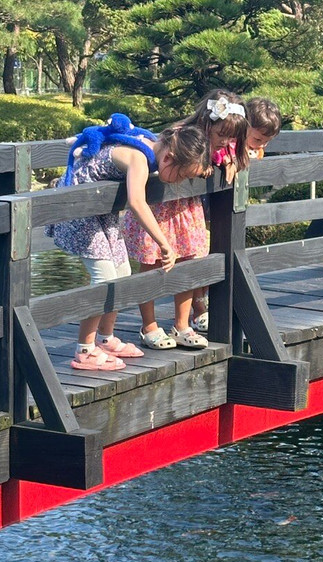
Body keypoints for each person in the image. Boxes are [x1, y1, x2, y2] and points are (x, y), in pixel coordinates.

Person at [49, 115, 210, 370]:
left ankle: (106, 338)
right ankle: (84, 350)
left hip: (101, 213)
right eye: (180, 176)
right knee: (103, 280)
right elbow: (136, 202)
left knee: (123, 274)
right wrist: (163, 243)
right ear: (168, 159)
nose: (178, 182)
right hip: (80, 211)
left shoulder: (152, 145)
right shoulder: (139, 159)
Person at [126, 90, 250, 347]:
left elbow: (231, 155)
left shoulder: (220, 146)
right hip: (159, 207)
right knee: (151, 261)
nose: (225, 142)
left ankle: (181, 325)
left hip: (186, 208)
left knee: (190, 258)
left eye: (230, 138)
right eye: (221, 136)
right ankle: (148, 326)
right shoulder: (181, 135)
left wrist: (229, 160)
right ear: (207, 123)